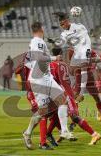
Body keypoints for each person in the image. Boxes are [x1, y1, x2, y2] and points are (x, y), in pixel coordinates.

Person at [22, 22, 73, 150]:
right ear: (41, 29)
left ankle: (28, 133)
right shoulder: (38, 41)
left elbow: (28, 63)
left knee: (43, 112)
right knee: (62, 99)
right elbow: (40, 57)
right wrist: (54, 58)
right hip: (42, 79)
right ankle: (64, 130)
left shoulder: (32, 43)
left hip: (38, 79)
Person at [46, 47, 101, 145]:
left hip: (68, 94)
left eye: (70, 53)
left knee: (74, 117)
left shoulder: (71, 66)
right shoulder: (64, 64)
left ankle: (94, 134)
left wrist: (79, 93)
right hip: (64, 93)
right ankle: (59, 133)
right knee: (56, 116)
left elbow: (78, 81)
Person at [54, 12, 92, 101]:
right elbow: (61, 42)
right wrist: (54, 42)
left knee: (83, 69)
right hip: (77, 51)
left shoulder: (79, 26)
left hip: (85, 49)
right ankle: (71, 90)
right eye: (60, 25)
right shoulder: (64, 34)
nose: (62, 26)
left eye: (63, 23)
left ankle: (81, 94)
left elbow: (85, 37)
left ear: (67, 21)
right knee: (71, 71)